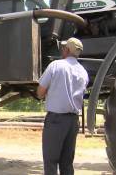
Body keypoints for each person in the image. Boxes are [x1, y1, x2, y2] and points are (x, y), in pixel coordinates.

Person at [37, 37, 89, 175]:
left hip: (56, 120)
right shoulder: (83, 72)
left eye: (64, 47)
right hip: (73, 122)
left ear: (67, 50)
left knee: (51, 161)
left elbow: (40, 92)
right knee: (67, 163)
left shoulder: (56, 65)